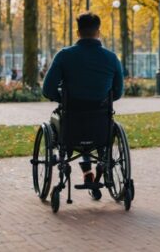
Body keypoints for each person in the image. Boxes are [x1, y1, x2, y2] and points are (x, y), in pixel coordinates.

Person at [43, 12, 124, 188]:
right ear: (99, 32)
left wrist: (62, 99)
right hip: (100, 121)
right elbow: (118, 92)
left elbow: (47, 89)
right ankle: (95, 170)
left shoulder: (64, 56)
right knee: (92, 126)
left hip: (71, 120)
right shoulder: (111, 58)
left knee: (64, 123)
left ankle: (86, 172)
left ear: (78, 33)